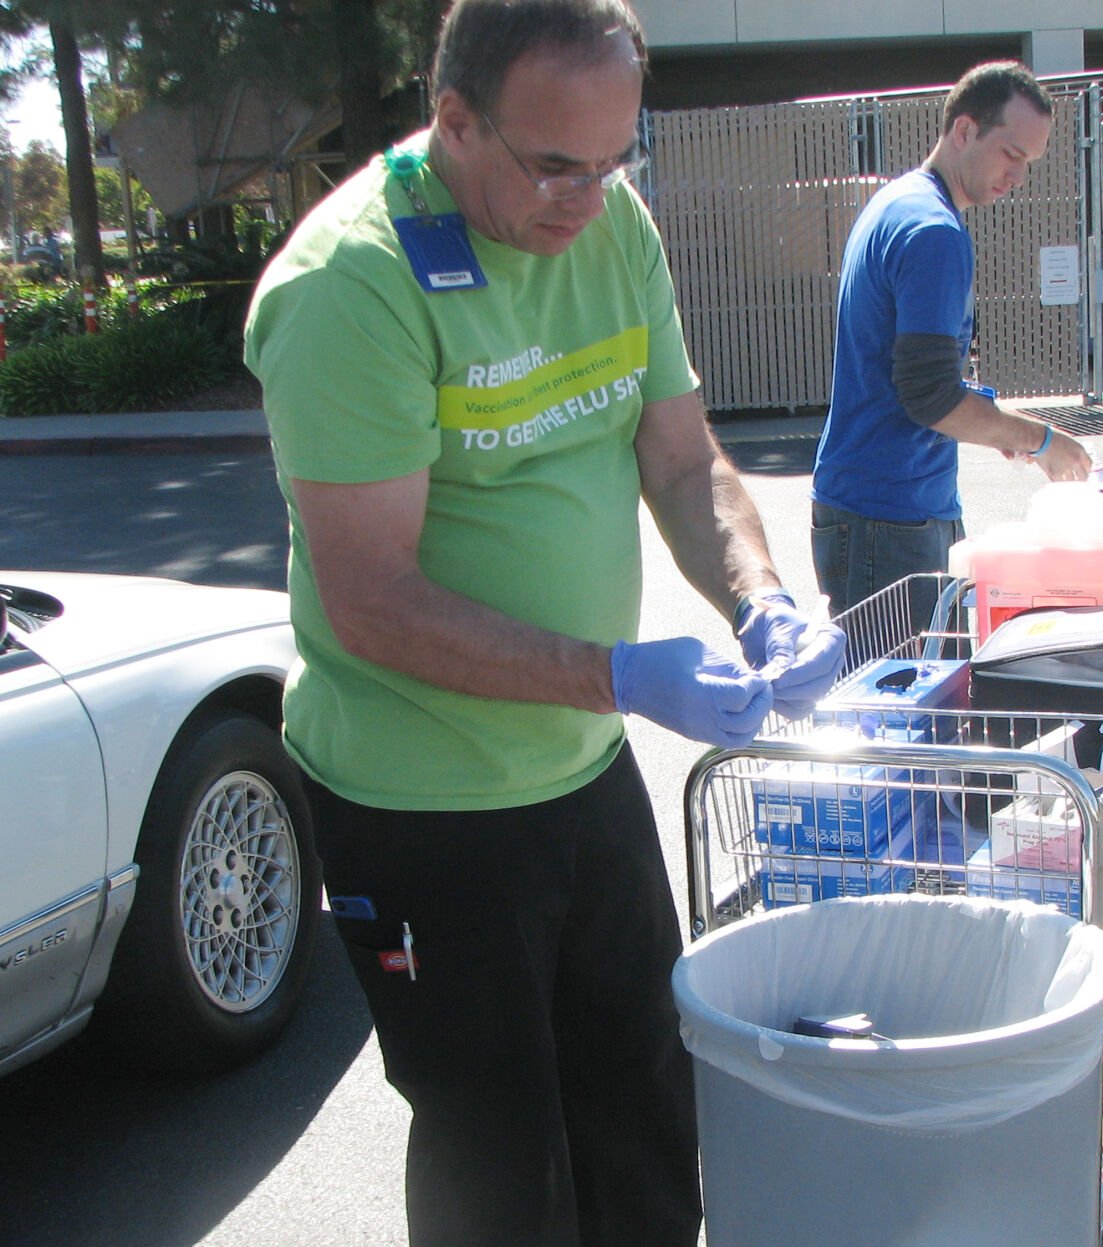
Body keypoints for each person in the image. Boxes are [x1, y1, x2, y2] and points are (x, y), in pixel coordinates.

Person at [243, 2, 844, 1242]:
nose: (588, 198)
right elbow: (370, 602)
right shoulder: (350, 281)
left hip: (580, 770)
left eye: (616, 159)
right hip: (423, 807)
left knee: (643, 1111)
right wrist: (614, 670)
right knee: (500, 1160)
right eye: (555, 164)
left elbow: (681, 463)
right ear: (452, 121)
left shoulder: (610, 227)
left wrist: (760, 597)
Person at [811, 60, 1095, 620]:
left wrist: (996, 425)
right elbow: (931, 398)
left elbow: (923, 383)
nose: (1018, 177)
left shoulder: (898, 203)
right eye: (1012, 155)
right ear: (964, 130)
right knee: (906, 704)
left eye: (1029, 164)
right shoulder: (934, 232)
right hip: (890, 518)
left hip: (880, 509)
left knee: (907, 696)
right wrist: (1043, 440)